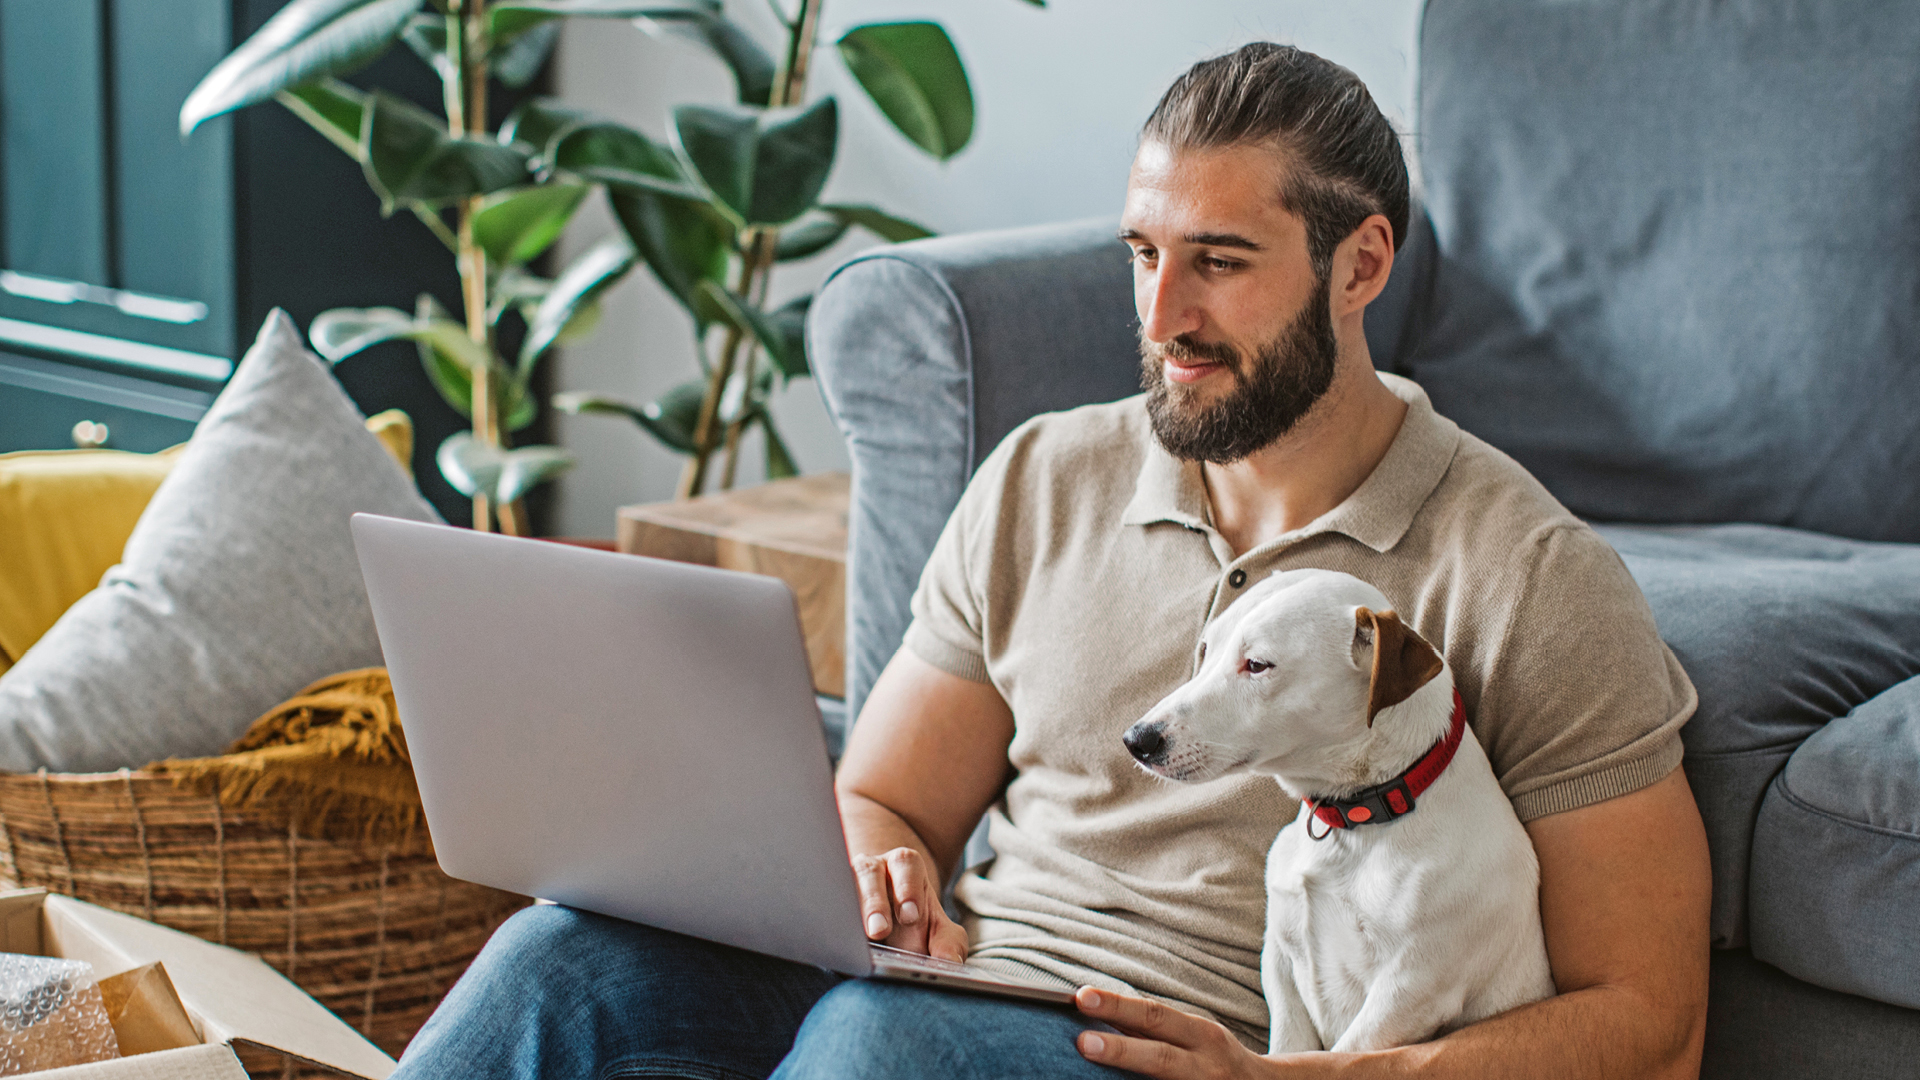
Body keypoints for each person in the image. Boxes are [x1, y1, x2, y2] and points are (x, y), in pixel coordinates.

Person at [390, 42, 1711, 1080]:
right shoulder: (1043, 475)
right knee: (561, 959)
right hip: (958, 979)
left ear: (1360, 261)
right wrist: (879, 862)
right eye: (1142, 254)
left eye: (1221, 264)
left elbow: (1649, 1027)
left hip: (1182, 1048)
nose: (1162, 317)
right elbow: (888, 798)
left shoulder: (1525, 572)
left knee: (877, 1053)